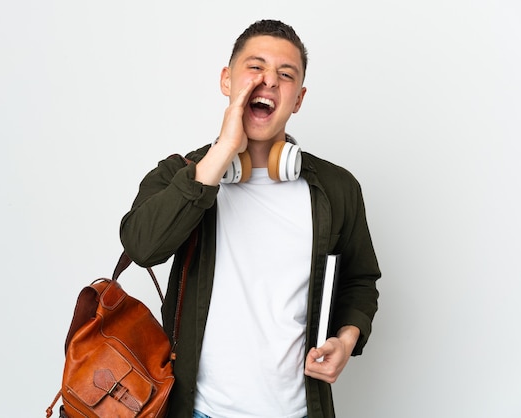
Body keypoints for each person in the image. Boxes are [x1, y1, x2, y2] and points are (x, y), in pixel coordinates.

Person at [120, 19, 381, 418]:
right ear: (227, 80)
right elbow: (142, 246)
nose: (269, 81)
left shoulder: (336, 188)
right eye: (255, 67)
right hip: (197, 411)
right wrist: (222, 150)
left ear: (298, 98)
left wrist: (345, 340)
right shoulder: (179, 174)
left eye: (286, 74)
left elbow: (360, 282)